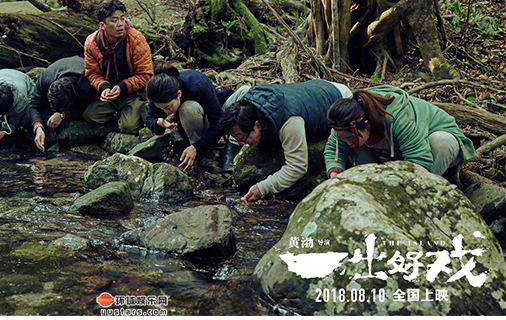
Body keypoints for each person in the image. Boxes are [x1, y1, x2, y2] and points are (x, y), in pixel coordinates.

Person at [220, 80, 352, 202]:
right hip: (317, 88)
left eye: (242, 137)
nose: (240, 143)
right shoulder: (251, 102)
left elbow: (297, 167)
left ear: (257, 125)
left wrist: (263, 188)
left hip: (340, 98)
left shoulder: (290, 123)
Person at [324, 85, 475, 178]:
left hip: (436, 144)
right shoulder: (345, 119)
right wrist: (335, 174)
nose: (346, 142)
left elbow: (419, 160)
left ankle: (427, 190)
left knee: (441, 142)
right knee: (356, 150)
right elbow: (333, 149)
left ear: (366, 124)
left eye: (349, 138)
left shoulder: (398, 117)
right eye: (343, 138)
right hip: (397, 150)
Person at [145, 65, 234, 181]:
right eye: (161, 109)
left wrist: (196, 147)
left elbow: (218, 122)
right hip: (188, 127)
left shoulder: (197, 84)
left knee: (188, 109)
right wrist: (158, 122)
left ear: (178, 94)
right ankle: (195, 155)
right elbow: (149, 118)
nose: (166, 112)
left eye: (168, 107)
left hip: (208, 115)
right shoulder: (157, 94)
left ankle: (202, 153)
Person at [83, 0, 154, 134]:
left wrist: (122, 87)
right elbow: (92, 74)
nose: (121, 24)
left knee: (128, 127)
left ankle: (138, 110)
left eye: (122, 19)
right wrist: (103, 88)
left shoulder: (136, 39)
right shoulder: (91, 43)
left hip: (133, 92)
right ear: (102, 25)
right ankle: (118, 115)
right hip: (110, 93)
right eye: (114, 21)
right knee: (90, 116)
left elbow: (146, 75)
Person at [29, 56, 97, 152]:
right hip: (58, 70)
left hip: (81, 73)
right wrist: (38, 127)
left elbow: (84, 109)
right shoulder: (45, 79)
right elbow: (34, 105)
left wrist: (63, 114)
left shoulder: (87, 86)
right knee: (32, 117)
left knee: (90, 115)